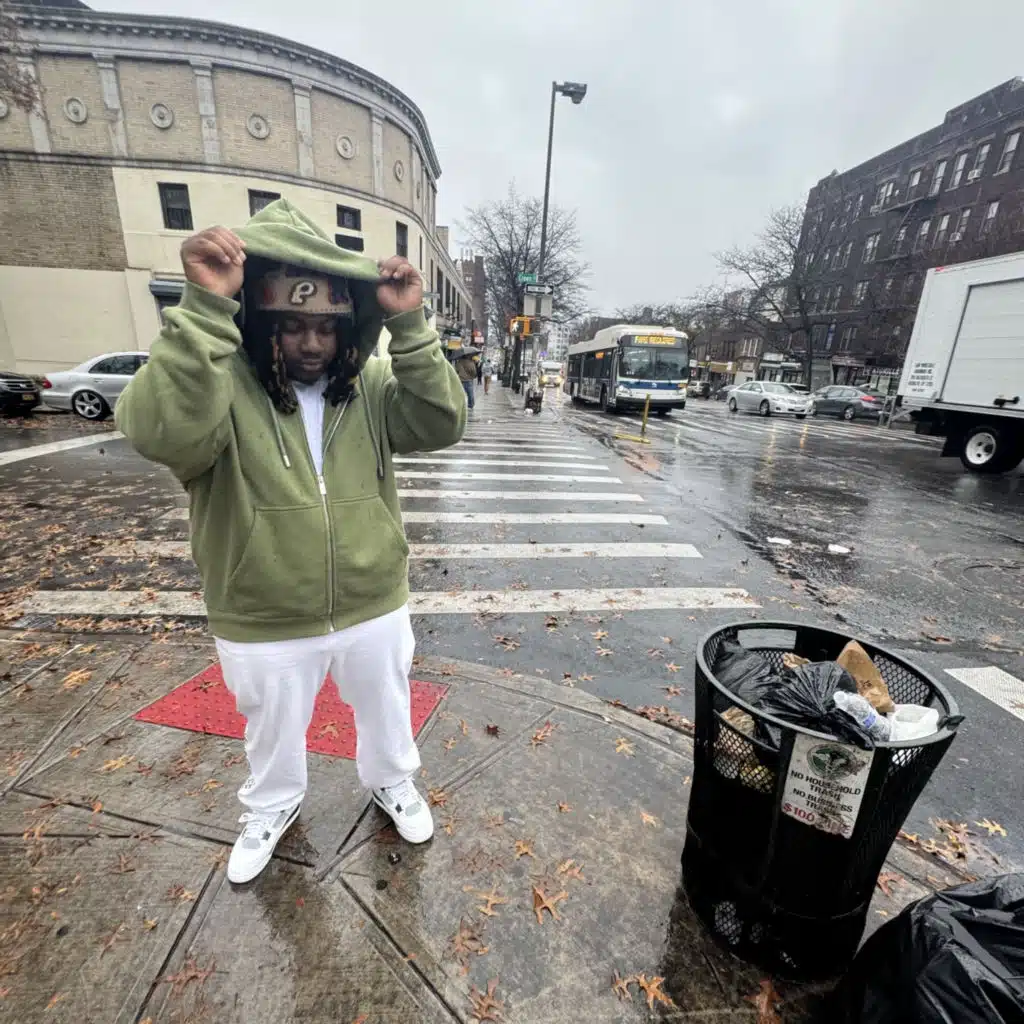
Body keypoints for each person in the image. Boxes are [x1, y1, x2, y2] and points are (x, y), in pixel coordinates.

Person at [116, 199, 466, 884]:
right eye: (293, 326)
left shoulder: (368, 387)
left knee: (387, 710)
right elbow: (158, 431)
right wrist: (203, 308)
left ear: (346, 328)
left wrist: (409, 325)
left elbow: (442, 422)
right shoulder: (219, 389)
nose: (311, 343)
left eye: (326, 327)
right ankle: (272, 805)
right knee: (271, 730)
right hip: (262, 609)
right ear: (262, 324)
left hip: (371, 599)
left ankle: (391, 780)